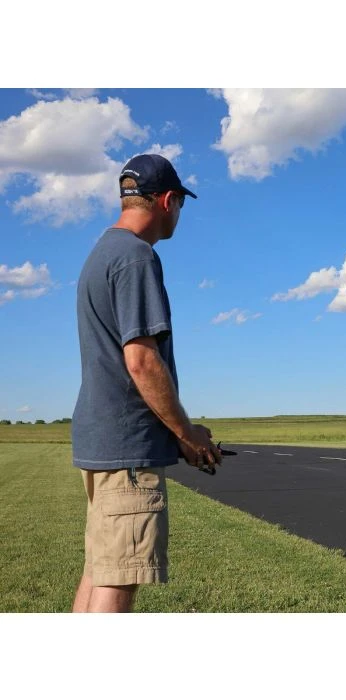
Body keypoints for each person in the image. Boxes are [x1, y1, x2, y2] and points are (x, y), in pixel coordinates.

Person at [71, 153, 221, 613]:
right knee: (121, 578)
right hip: (128, 450)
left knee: (101, 569)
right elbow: (140, 361)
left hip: (104, 441)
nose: (179, 214)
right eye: (181, 204)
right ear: (168, 200)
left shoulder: (104, 251)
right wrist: (187, 434)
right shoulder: (136, 257)